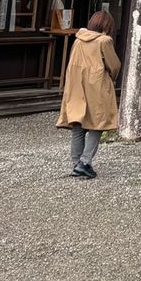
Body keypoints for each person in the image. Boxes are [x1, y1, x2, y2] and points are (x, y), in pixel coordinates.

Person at [56, 10, 120, 178]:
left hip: (76, 85)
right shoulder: (104, 41)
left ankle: (76, 163)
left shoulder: (78, 39)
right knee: (96, 125)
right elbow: (114, 65)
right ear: (107, 27)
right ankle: (85, 163)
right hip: (97, 87)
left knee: (78, 125)